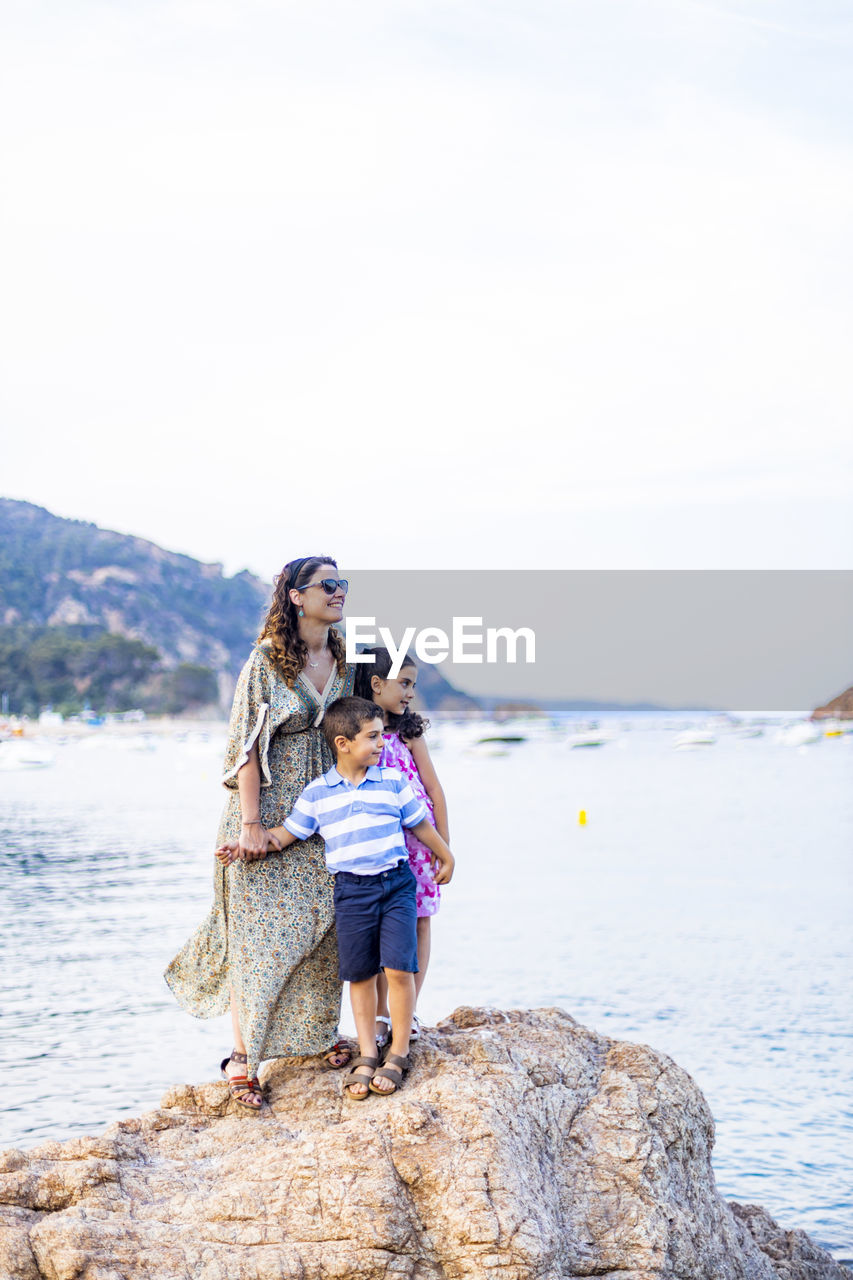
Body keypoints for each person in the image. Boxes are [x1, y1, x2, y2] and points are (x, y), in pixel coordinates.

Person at [164, 556, 356, 1110]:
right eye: (329, 585)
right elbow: (246, 745)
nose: (339, 593)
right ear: (297, 596)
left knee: (325, 924)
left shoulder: (341, 655)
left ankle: (317, 1037)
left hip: (325, 807)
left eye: (343, 584)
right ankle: (242, 1057)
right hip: (268, 808)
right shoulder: (267, 660)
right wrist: (251, 824)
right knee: (259, 933)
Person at [216, 696, 455, 1100]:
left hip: (396, 885)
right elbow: (285, 835)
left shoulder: (392, 781)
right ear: (343, 743)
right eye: (373, 737)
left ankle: (397, 1050)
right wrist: (244, 845)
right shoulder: (318, 793)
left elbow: (420, 824)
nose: (382, 744)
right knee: (359, 975)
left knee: (398, 969)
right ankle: (366, 1052)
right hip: (352, 893)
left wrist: (445, 854)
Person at [355, 647, 448, 1048]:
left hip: (420, 845)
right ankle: (378, 1016)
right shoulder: (362, 733)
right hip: (381, 847)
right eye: (404, 683)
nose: (410, 692)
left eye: (413, 684)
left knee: (420, 923)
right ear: (377, 684)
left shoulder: (409, 732)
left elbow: (434, 788)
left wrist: (445, 846)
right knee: (382, 932)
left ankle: (404, 1016)